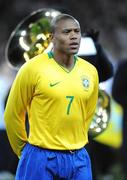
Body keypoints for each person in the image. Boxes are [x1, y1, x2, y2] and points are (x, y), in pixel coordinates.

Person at [4, 13, 99, 180]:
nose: (74, 36)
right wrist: (24, 151)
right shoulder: (31, 69)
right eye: (67, 32)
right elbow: (12, 114)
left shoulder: (90, 71)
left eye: (77, 31)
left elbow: (88, 112)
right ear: (52, 37)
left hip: (78, 158)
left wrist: (73, 142)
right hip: (40, 157)